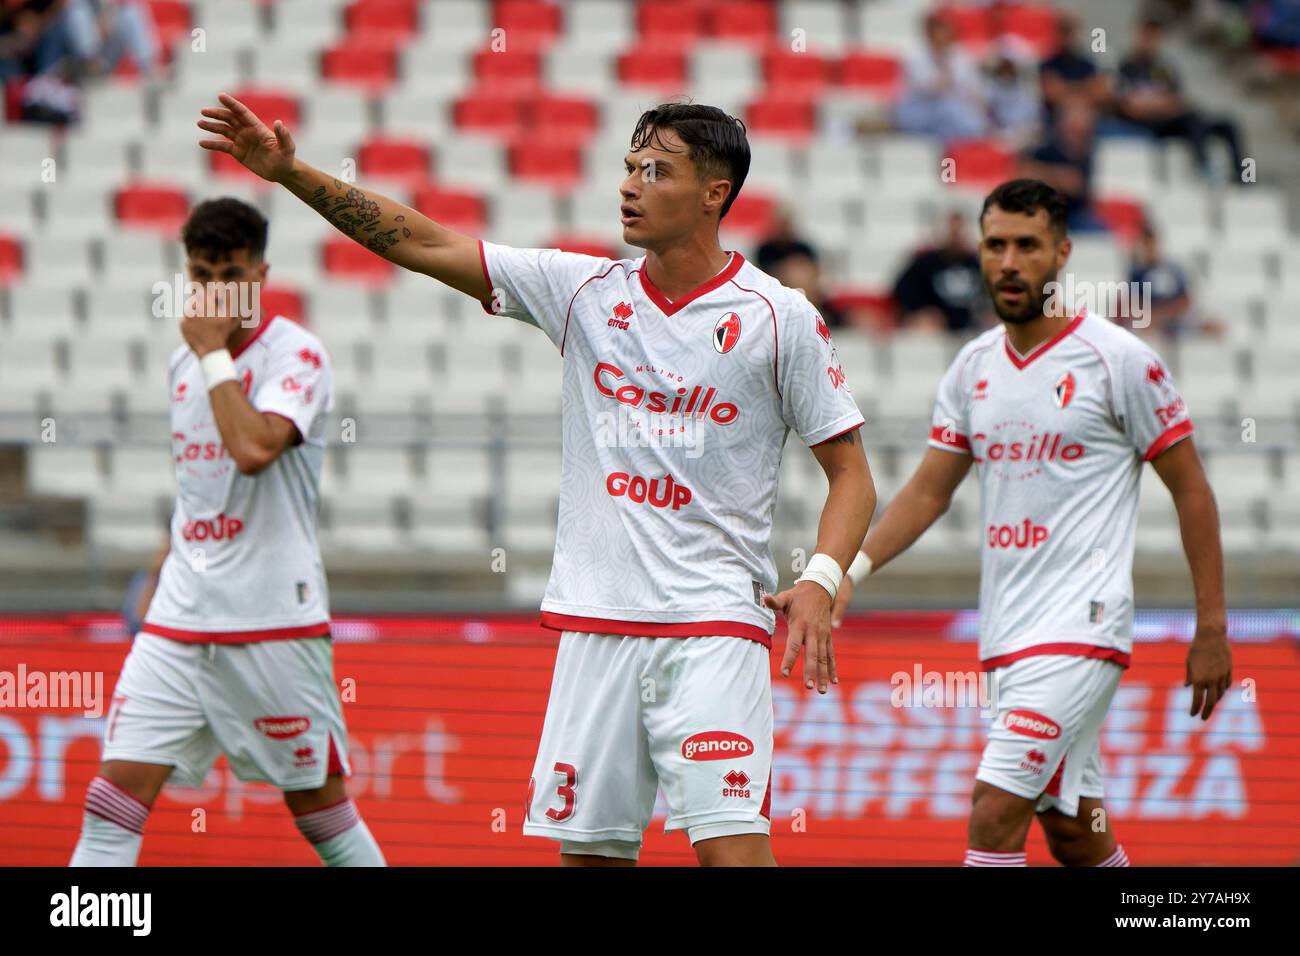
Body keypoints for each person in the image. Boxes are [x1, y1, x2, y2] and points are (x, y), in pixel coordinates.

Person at [195, 94, 875, 866]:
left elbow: (850, 474)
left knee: (731, 852)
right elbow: (420, 241)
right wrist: (291, 174)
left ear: (715, 192)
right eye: (627, 166)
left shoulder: (778, 317)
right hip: (594, 626)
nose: (629, 184)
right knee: (588, 860)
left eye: (655, 170)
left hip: (714, 626)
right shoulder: (581, 290)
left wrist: (821, 577)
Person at [832, 179, 1232, 867]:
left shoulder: (1120, 360)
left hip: (1083, 626)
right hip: (1008, 635)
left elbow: (1190, 488)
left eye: (1027, 245)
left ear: (1063, 253)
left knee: (994, 810)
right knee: (1075, 826)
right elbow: (930, 490)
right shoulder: (971, 368)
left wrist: (1213, 628)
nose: (1010, 262)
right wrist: (848, 570)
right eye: (996, 245)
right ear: (979, 253)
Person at [70, 198, 384, 867]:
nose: (212, 291)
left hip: (271, 620)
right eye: (200, 273)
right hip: (180, 623)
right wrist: (161, 569)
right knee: (111, 804)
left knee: (323, 817)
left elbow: (252, 449)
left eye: (229, 274)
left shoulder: (297, 354)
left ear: (261, 273)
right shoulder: (182, 365)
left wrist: (214, 354)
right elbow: (198, 485)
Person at [1115, 19, 1245, 179]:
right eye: (1146, 36)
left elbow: (1178, 101)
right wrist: (1160, 103)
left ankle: (1242, 176)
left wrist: (1153, 102)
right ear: (1138, 37)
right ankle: (1203, 167)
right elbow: (1130, 106)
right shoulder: (1126, 67)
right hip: (1151, 125)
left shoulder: (1164, 68)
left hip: (1174, 121)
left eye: (1154, 37)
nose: (1150, 42)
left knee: (1226, 124)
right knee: (1192, 119)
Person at [894, 11, 988, 139]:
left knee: (969, 119)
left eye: (947, 29)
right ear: (929, 32)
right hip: (919, 110)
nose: (944, 34)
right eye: (940, 29)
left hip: (951, 115)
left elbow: (973, 90)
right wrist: (943, 63)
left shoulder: (961, 56)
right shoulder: (913, 55)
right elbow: (930, 88)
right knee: (950, 109)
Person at [892, 211, 987, 333]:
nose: (955, 237)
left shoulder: (977, 263)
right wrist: (920, 311)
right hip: (937, 326)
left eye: (958, 232)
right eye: (952, 232)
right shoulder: (925, 262)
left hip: (970, 324)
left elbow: (988, 296)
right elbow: (902, 290)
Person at [1020, 97, 1106, 232]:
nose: (1078, 129)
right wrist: (1058, 177)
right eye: (1073, 124)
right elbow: (1024, 174)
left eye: (1082, 125)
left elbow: (1074, 184)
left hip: (1074, 215)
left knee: (1098, 233)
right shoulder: (1046, 150)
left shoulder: (1086, 154)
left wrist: (1045, 177)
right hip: (1041, 214)